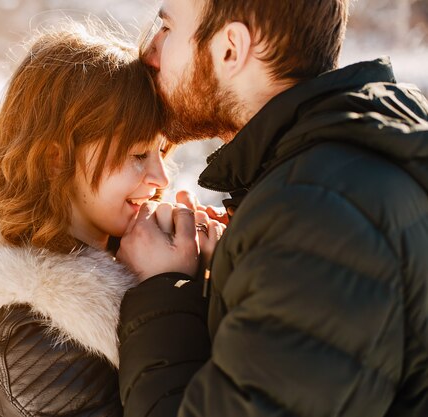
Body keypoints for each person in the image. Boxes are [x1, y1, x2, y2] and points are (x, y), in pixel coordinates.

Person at [116, 1, 428, 416]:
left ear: (230, 48)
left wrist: (160, 290)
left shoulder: (316, 217)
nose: (150, 52)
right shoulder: (344, 171)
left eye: (167, 29)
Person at [0, 24, 220, 417]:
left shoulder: (122, 262)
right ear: (56, 159)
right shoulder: (32, 334)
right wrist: (167, 291)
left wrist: (209, 280)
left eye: (162, 152)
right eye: (139, 155)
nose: (161, 178)